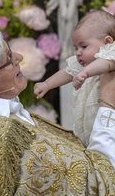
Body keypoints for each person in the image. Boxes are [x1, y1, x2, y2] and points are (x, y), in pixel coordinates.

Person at [0, 21, 115, 195]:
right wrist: (107, 103)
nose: (19, 57)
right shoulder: (10, 139)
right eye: (9, 59)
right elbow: (99, 183)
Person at [34, 10, 115, 146]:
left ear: (107, 42)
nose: (78, 52)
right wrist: (47, 84)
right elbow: (67, 72)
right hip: (88, 125)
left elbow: (105, 64)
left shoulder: (110, 54)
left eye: (84, 46)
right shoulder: (84, 64)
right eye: (76, 47)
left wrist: (86, 73)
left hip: (108, 124)